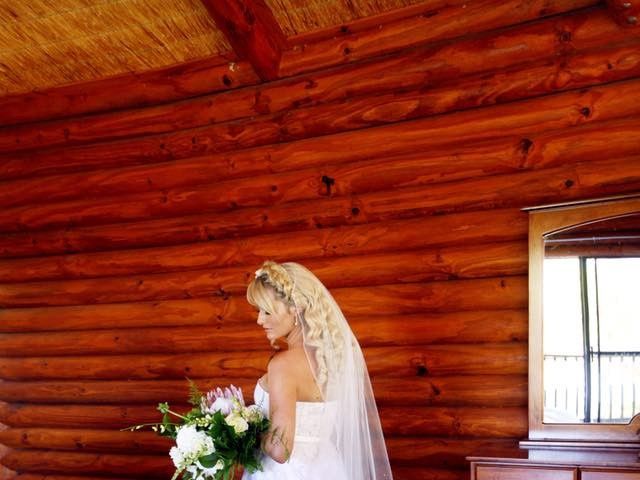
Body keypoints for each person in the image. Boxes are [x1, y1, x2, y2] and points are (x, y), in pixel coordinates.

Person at [242, 260, 393, 480]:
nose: (259, 320)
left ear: (296, 307)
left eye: (267, 311)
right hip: (328, 469)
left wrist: (244, 434)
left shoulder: (283, 365)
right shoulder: (334, 360)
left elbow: (280, 450)